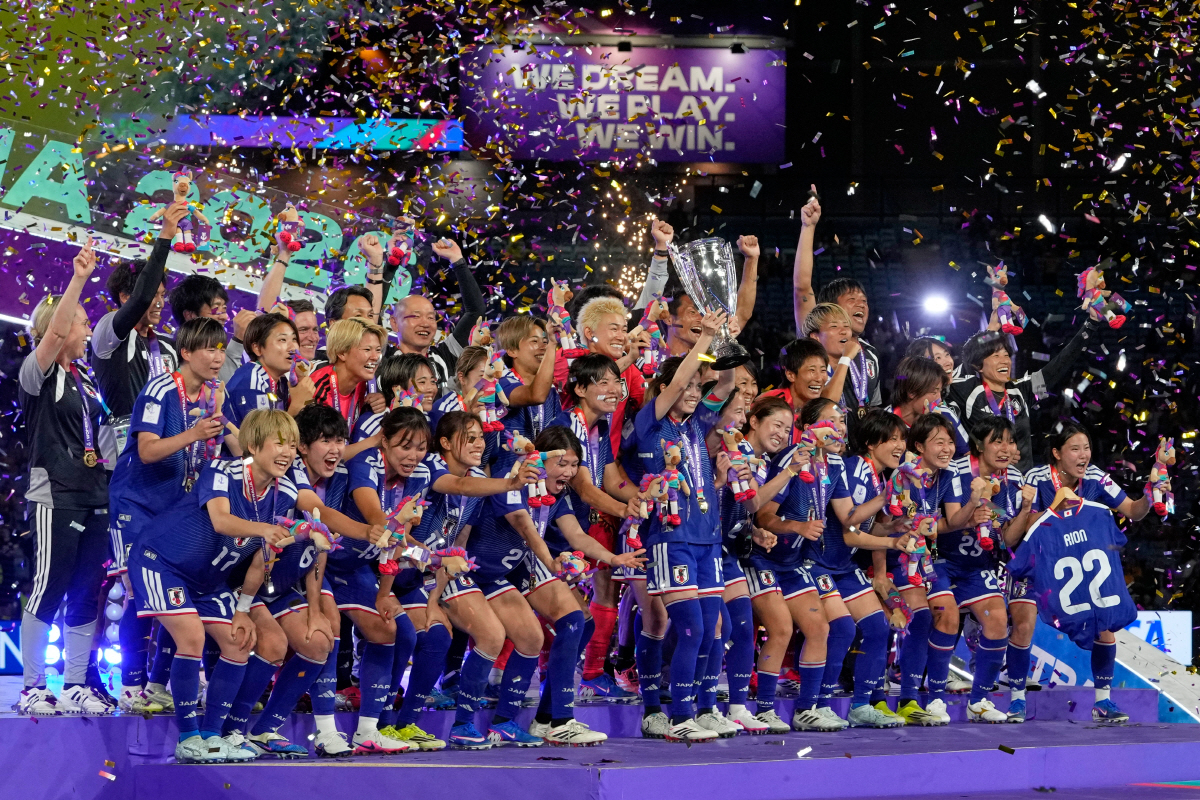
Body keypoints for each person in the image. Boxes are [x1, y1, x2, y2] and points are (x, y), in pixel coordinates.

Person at [126, 409, 299, 763]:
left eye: (293, 445)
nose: (288, 452)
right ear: (252, 445)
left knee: (239, 642)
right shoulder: (224, 470)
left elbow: (260, 559)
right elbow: (221, 521)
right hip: (161, 562)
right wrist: (265, 530)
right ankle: (188, 739)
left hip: (207, 580)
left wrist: (242, 610)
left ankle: (212, 736)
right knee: (192, 637)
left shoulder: (286, 493)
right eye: (279, 443)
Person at [464, 425, 645, 746]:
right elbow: (527, 530)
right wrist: (553, 564)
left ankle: (547, 718)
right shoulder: (513, 477)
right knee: (548, 629)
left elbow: (577, 536)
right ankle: (556, 718)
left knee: (580, 623)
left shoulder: (557, 495)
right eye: (562, 463)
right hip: (480, 573)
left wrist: (615, 559)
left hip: (517, 568)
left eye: (575, 465)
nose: (570, 472)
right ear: (541, 459)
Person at [763, 405, 912, 730]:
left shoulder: (858, 469)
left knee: (876, 627)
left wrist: (895, 525)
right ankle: (816, 704)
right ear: (872, 443)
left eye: (903, 439)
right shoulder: (854, 468)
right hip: (817, 563)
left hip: (839, 563)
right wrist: (887, 537)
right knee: (841, 629)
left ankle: (857, 706)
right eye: (893, 439)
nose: (900, 446)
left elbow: (858, 521)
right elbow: (849, 529)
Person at [110, 316, 231, 714]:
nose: (217, 358)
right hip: (136, 504)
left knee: (171, 597)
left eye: (221, 349)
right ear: (186, 353)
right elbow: (147, 450)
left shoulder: (211, 394)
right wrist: (195, 434)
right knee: (136, 593)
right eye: (209, 349)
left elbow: (234, 441)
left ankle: (156, 684)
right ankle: (130, 684)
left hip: (171, 512)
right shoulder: (161, 388)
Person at [17, 240, 113, 716]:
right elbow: (52, 337)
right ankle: (33, 684)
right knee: (48, 584)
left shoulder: (87, 379)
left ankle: (75, 682)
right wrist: (77, 280)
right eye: (81, 319)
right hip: (55, 495)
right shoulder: (36, 374)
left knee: (85, 592)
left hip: (96, 495)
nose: (87, 325)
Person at [633, 309, 736, 742]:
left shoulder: (695, 424)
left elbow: (726, 384)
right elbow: (676, 382)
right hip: (670, 538)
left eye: (698, 386)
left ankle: (706, 708)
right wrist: (703, 340)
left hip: (708, 540)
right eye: (688, 385)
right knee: (690, 627)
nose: (694, 392)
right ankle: (674, 714)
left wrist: (725, 336)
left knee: (715, 630)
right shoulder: (649, 423)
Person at [1011, 424, 1154, 721]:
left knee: (1105, 626)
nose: (1083, 455)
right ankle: (1016, 699)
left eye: (1086, 448)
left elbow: (1132, 510)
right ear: (1057, 454)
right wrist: (1056, 505)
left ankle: (1103, 702)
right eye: (1075, 449)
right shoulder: (1035, 479)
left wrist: (1151, 494)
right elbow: (1019, 530)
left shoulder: (1096, 477)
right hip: (1037, 567)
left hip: (1077, 565)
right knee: (1024, 625)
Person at [550, 354, 643, 703]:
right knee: (563, 612)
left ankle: (580, 678)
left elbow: (609, 477)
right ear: (579, 388)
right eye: (602, 382)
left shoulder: (600, 426)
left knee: (581, 611)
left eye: (616, 382)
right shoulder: (566, 426)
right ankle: (537, 681)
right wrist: (625, 510)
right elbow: (585, 489)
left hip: (575, 525)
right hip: (552, 529)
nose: (614, 389)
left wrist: (640, 500)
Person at [723, 395, 814, 733]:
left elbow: (742, 512)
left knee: (742, 630)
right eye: (776, 424)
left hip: (732, 549)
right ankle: (700, 705)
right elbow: (753, 500)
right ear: (754, 421)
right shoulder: (739, 454)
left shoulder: (760, 462)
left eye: (788, 429)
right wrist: (790, 470)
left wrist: (756, 532)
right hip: (711, 550)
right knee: (715, 630)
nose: (782, 433)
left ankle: (738, 707)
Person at [940, 416, 1038, 723]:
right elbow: (954, 520)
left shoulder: (1008, 480)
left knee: (997, 619)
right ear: (980, 445)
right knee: (943, 619)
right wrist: (977, 501)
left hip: (976, 566)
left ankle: (979, 700)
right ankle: (932, 697)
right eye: (998, 441)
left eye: (1010, 441)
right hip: (939, 561)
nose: (1006, 448)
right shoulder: (955, 472)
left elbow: (1006, 536)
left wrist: (1023, 510)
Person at [871, 413, 959, 725]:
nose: (948, 448)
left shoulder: (944, 476)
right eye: (940, 442)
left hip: (923, 562)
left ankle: (917, 698)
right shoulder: (899, 477)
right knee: (904, 619)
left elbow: (940, 524)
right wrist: (880, 574)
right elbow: (880, 526)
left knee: (945, 614)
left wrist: (976, 504)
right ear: (919, 446)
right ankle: (876, 697)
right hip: (890, 561)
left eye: (950, 441)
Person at [948, 316, 1101, 471]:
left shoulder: (1022, 391)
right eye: (996, 356)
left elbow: (1059, 366)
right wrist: (990, 333)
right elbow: (966, 359)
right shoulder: (965, 390)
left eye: (1006, 355)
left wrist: (1091, 325)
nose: (1004, 361)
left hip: (1022, 484)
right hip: (983, 482)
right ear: (979, 366)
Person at [91, 202, 190, 417]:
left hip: (163, 442)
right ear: (125, 297)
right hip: (123, 445)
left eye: (162, 295)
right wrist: (165, 237)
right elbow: (141, 298)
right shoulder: (110, 332)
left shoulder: (168, 345)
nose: (160, 302)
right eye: (154, 295)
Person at [387, 237, 487, 397]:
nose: (425, 323)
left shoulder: (446, 355)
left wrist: (457, 261)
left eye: (431, 317)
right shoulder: (384, 359)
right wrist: (389, 264)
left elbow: (476, 311)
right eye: (416, 316)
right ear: (394, 323)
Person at [225, 313, 311, 429]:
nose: (293, 348)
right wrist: (296, 406)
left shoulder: (282, 381)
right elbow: (263, 440)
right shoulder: (251, 381)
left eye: (294, 339)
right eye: (282, 340)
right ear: (258, 348)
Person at [310, 317, 387, 432]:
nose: (375, 357)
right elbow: (323, 448)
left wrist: (379, 401)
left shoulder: (363, 383)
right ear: (342, 353)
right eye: (367, 349)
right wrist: (376, 440)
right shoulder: (318, 389)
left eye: (378, 350)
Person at [888, 356, 969, 457]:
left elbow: (967, 456)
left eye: (940, 391)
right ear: (912, 392)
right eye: (934, 392)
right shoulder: (885, 424)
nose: (939, 399)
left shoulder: (945, 414)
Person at [762, 338, 829, 443]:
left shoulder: (821, 410)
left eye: (823, 370)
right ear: (791, 375)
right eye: (812, 370)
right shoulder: (769, 403)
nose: (819, 378)